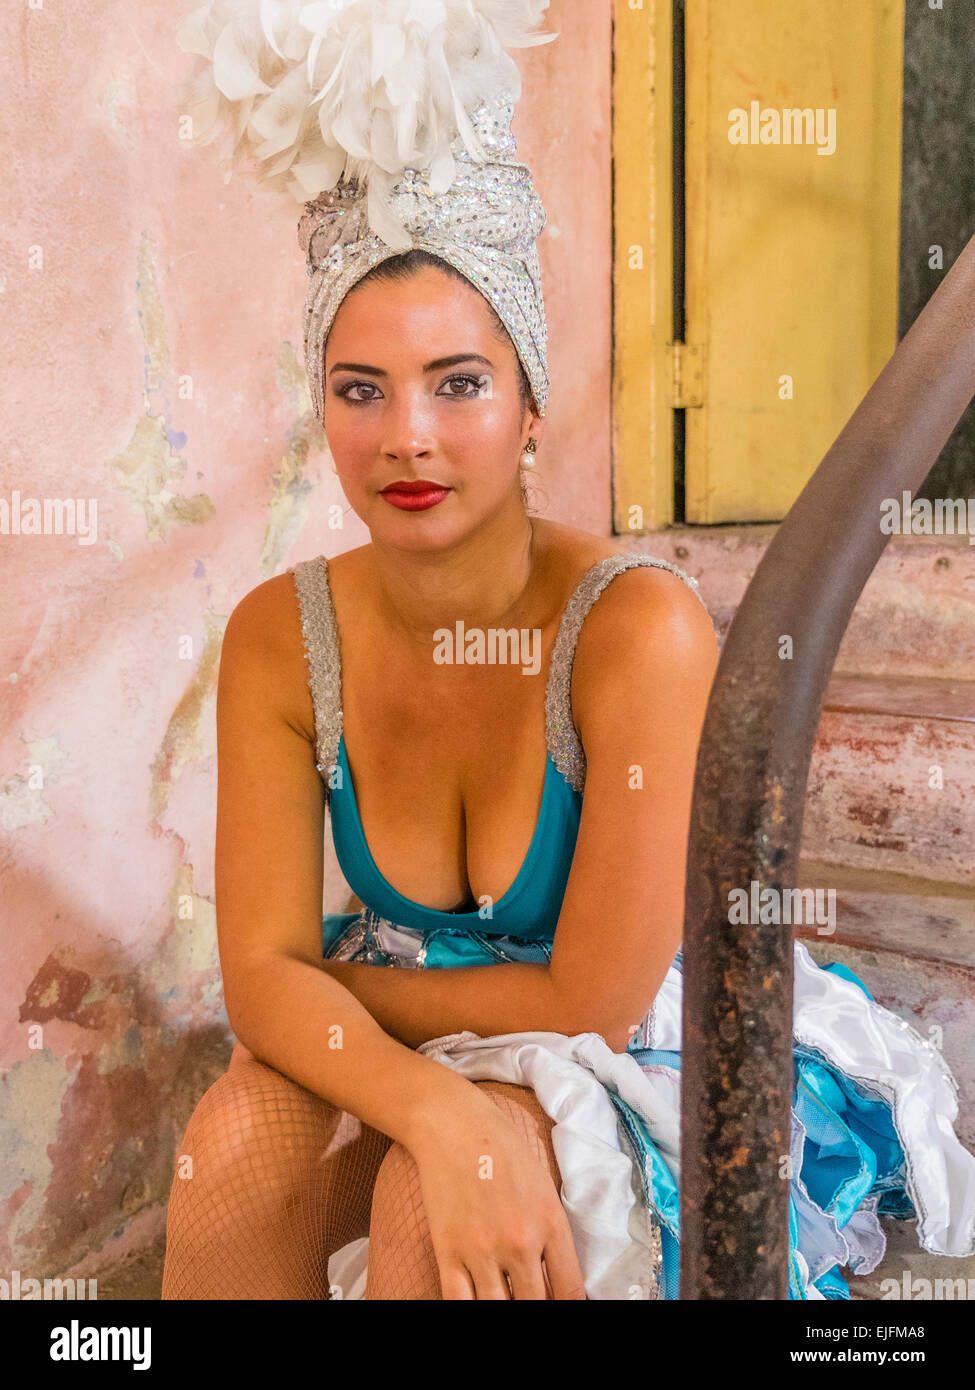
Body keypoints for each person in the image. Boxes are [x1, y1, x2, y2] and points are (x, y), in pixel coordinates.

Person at [163, 0, 975, 1301]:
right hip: (437, 1039)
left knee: (424, 1207)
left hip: (645, 1045)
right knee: (237, 1148)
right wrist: (431, 1103)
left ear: (534, 402)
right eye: (359, 387)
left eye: (460, 382)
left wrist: (346, 999)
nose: (407, 437)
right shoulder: (282, 634)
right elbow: (258, 972)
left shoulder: (634, 626)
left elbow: (588, 997)